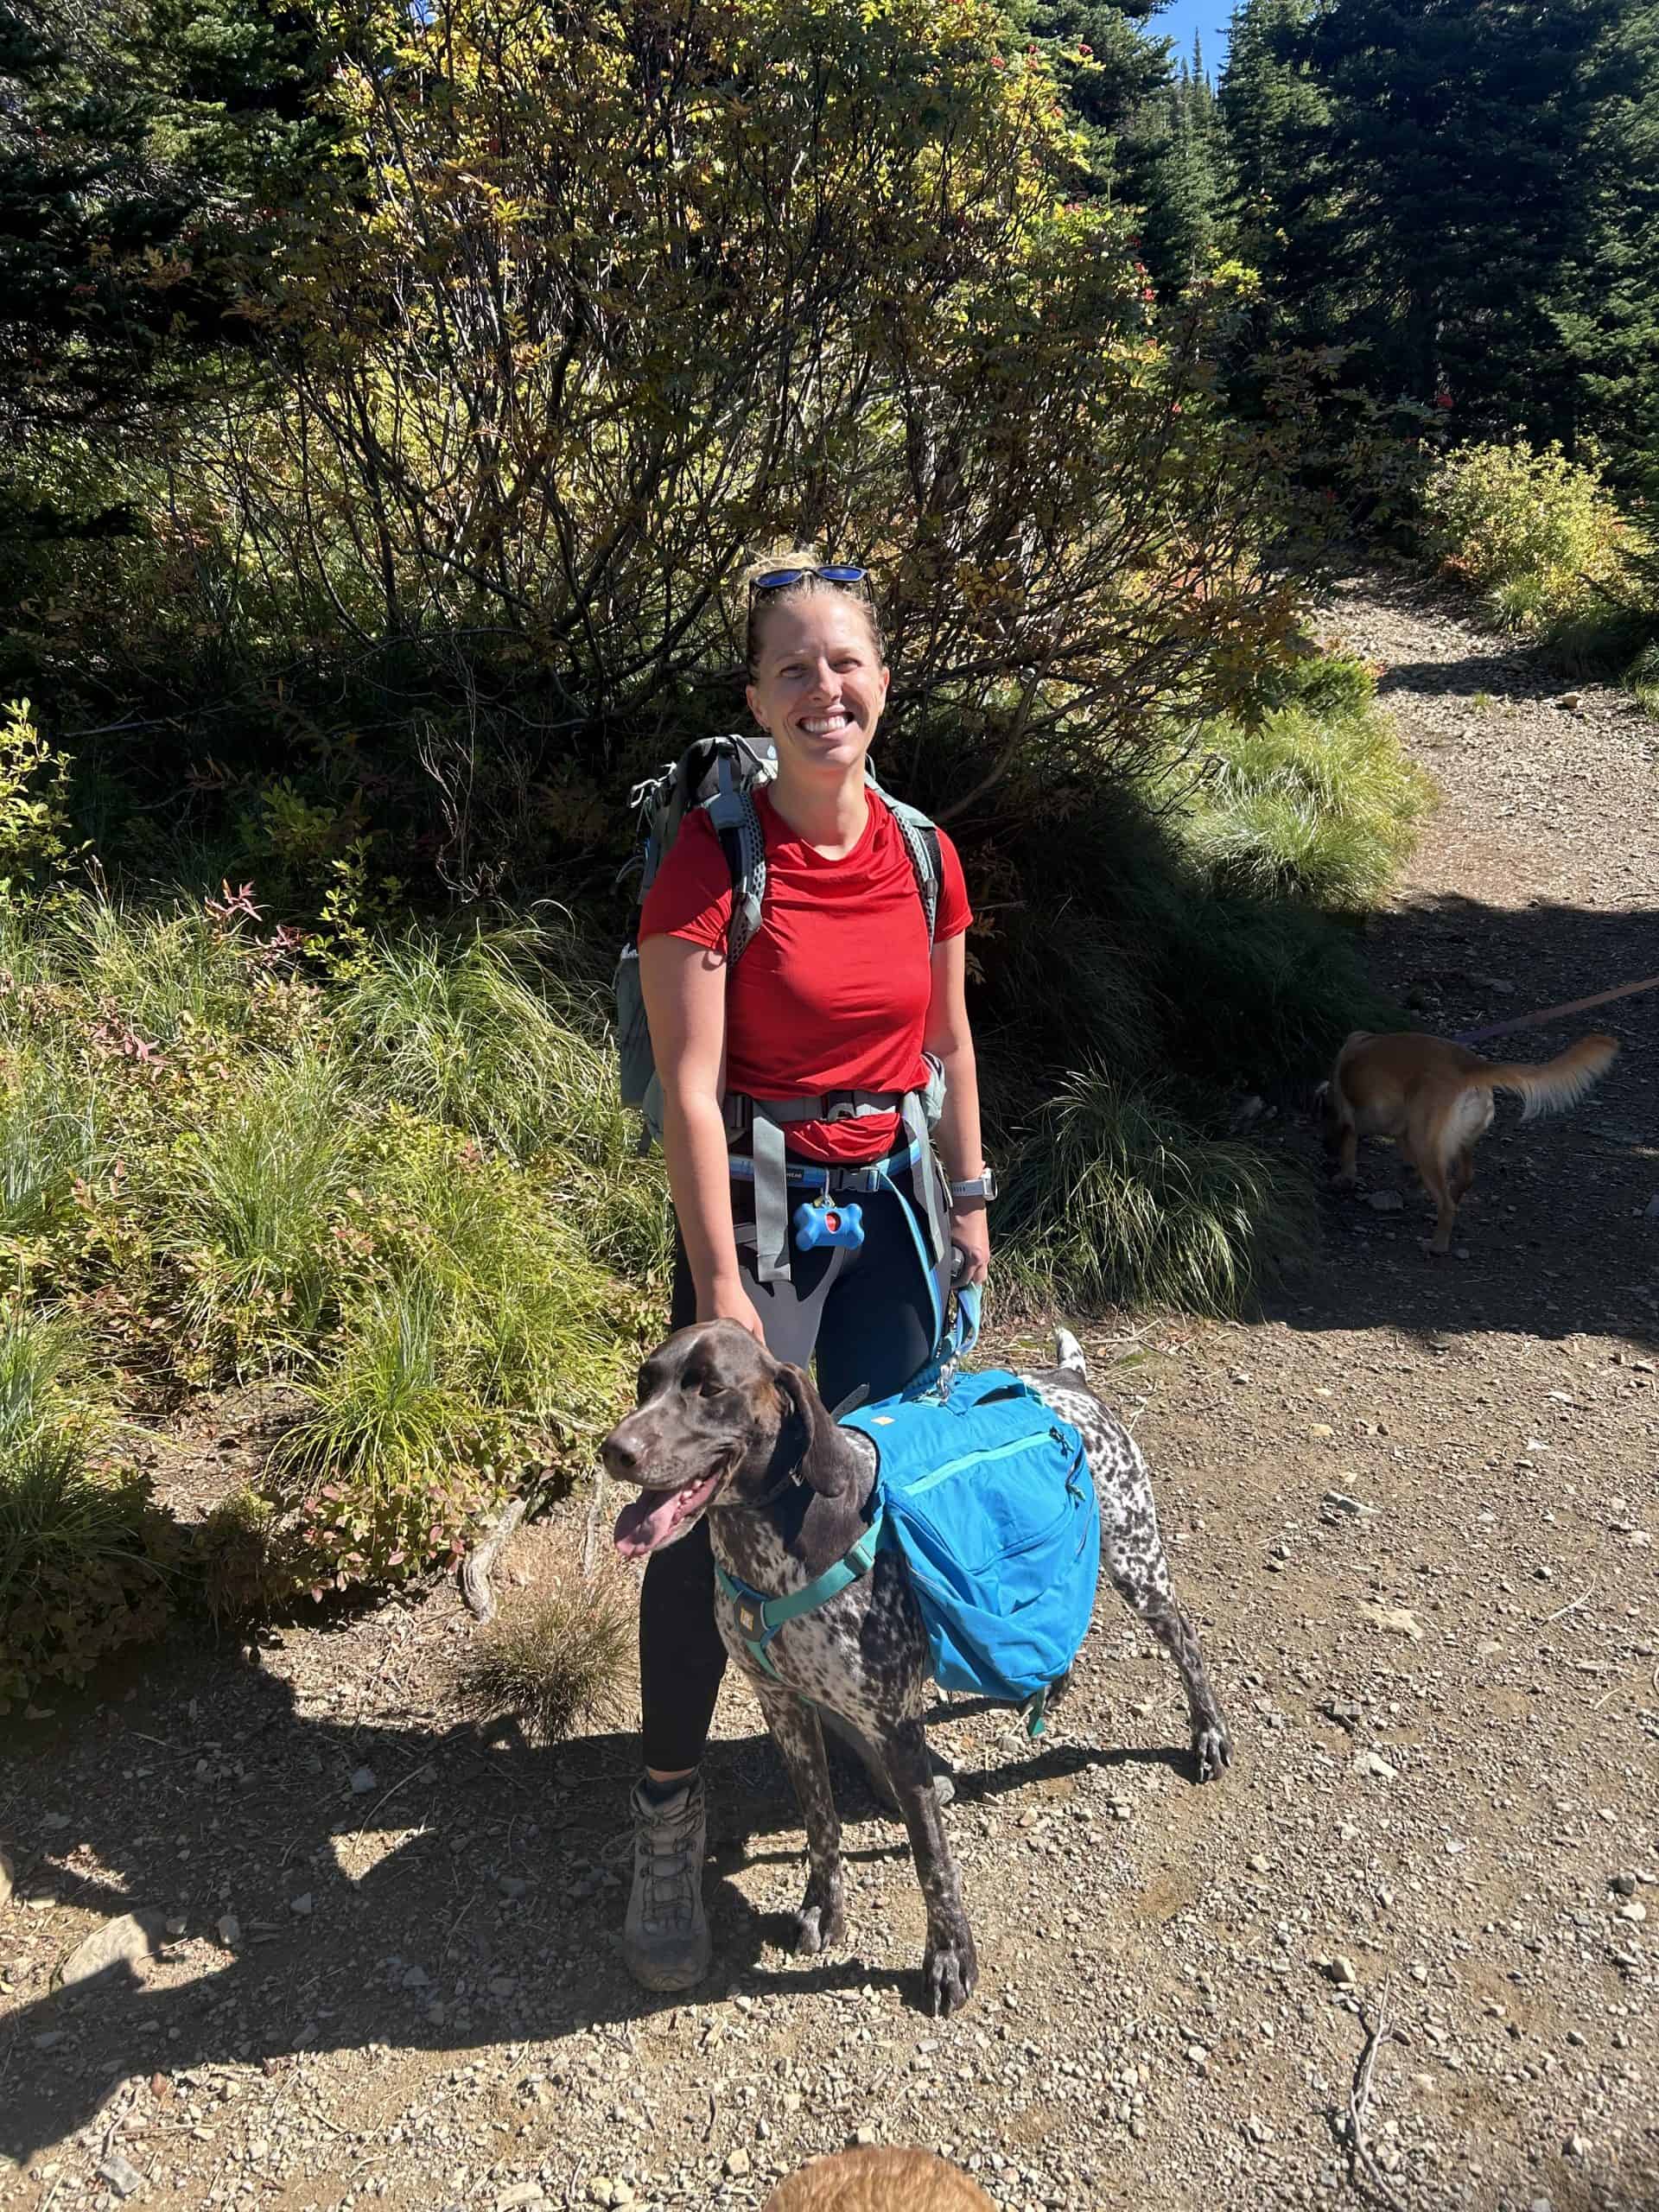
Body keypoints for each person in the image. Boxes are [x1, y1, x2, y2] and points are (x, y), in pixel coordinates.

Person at [623, 553, 993, 1991]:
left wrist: (968, 1194)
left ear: (882, 680)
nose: (824, 691)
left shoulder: (921, 850)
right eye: (794, 669)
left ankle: (869, 1718)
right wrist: (720, 1292)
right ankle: (668, 1810)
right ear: (760, 699)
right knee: (693, 1499)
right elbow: (691, 1090)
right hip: (756, 1220)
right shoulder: (710, 861)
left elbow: (951, 1043)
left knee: (877, 1482)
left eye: (845, 664)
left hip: (890, 1205)